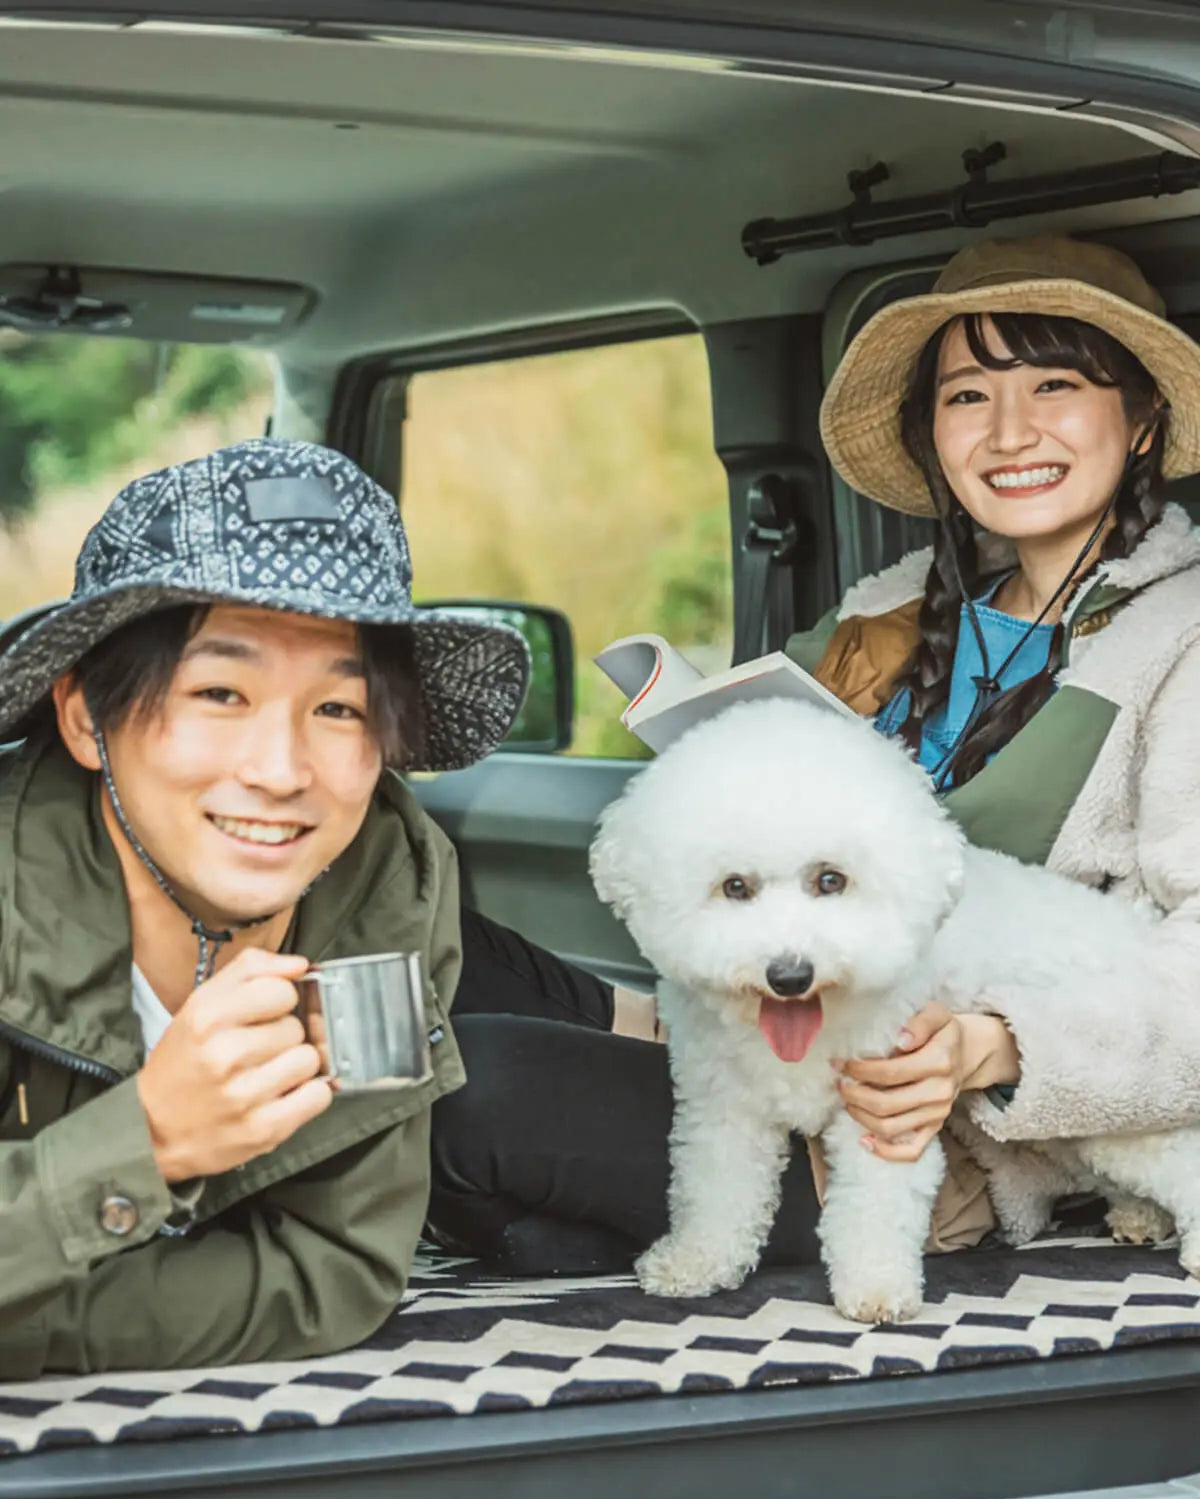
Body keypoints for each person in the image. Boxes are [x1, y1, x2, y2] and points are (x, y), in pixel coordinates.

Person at [430, 233, 1200, 1274]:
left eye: (1056, 384)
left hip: (912, 1122)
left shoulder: (1181, 642)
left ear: (1144, 416)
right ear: (934, 430)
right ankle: (559, 1228)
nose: (1010, 430)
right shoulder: (889, 607)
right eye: (969, 395)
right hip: (753, 1029)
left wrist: (996, 1044)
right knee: (435, 956)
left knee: (476, 1085)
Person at [0, 437, 531, 1379]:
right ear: (85, 717)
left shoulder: (387, 881)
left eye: (340, 710)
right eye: (219, 692)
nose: (282, 772)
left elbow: (336, 1272)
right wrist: (149, 1140)